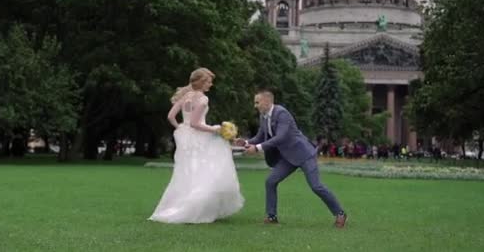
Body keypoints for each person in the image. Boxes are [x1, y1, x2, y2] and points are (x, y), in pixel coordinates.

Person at [235, 90, 347, 227]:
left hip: (304, 154)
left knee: (316, 186)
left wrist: (257, 148)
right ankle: (271, 217)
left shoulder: (281, 113)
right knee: (270, 182)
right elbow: (260, 137)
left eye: (257, 102)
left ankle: (340, 214)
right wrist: (246, 143)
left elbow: (280, 137)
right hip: (287, 157)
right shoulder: (263, 116)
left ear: (267, 101)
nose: (255, 106)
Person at [148, 68, 244, 223]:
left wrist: (179, 127)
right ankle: (195, 207)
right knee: (206, 170)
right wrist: (215, 129)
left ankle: (183, 204)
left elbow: (171, 116)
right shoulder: (202, 99)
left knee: (187, 172)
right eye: (209, 81)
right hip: (199, 137)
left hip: (185, 138)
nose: (211, 84)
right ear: (202, 82)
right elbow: (195, 123)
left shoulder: (185, 96)